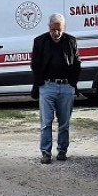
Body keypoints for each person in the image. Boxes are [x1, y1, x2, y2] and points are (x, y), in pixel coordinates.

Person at [30, 13, 81, 165]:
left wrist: (72, 84)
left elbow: (77, 63)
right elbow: (35, 64)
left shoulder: (71, 41)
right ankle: (46, 153)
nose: (56, 33)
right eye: (53, 29)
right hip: (47, 86)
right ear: (49, 27)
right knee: (46, 122)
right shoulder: (40, 41)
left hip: (66, 87)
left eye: (59, 29)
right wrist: (41, 83)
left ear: (63, 28)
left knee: (64, 123)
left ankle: (62, 151)